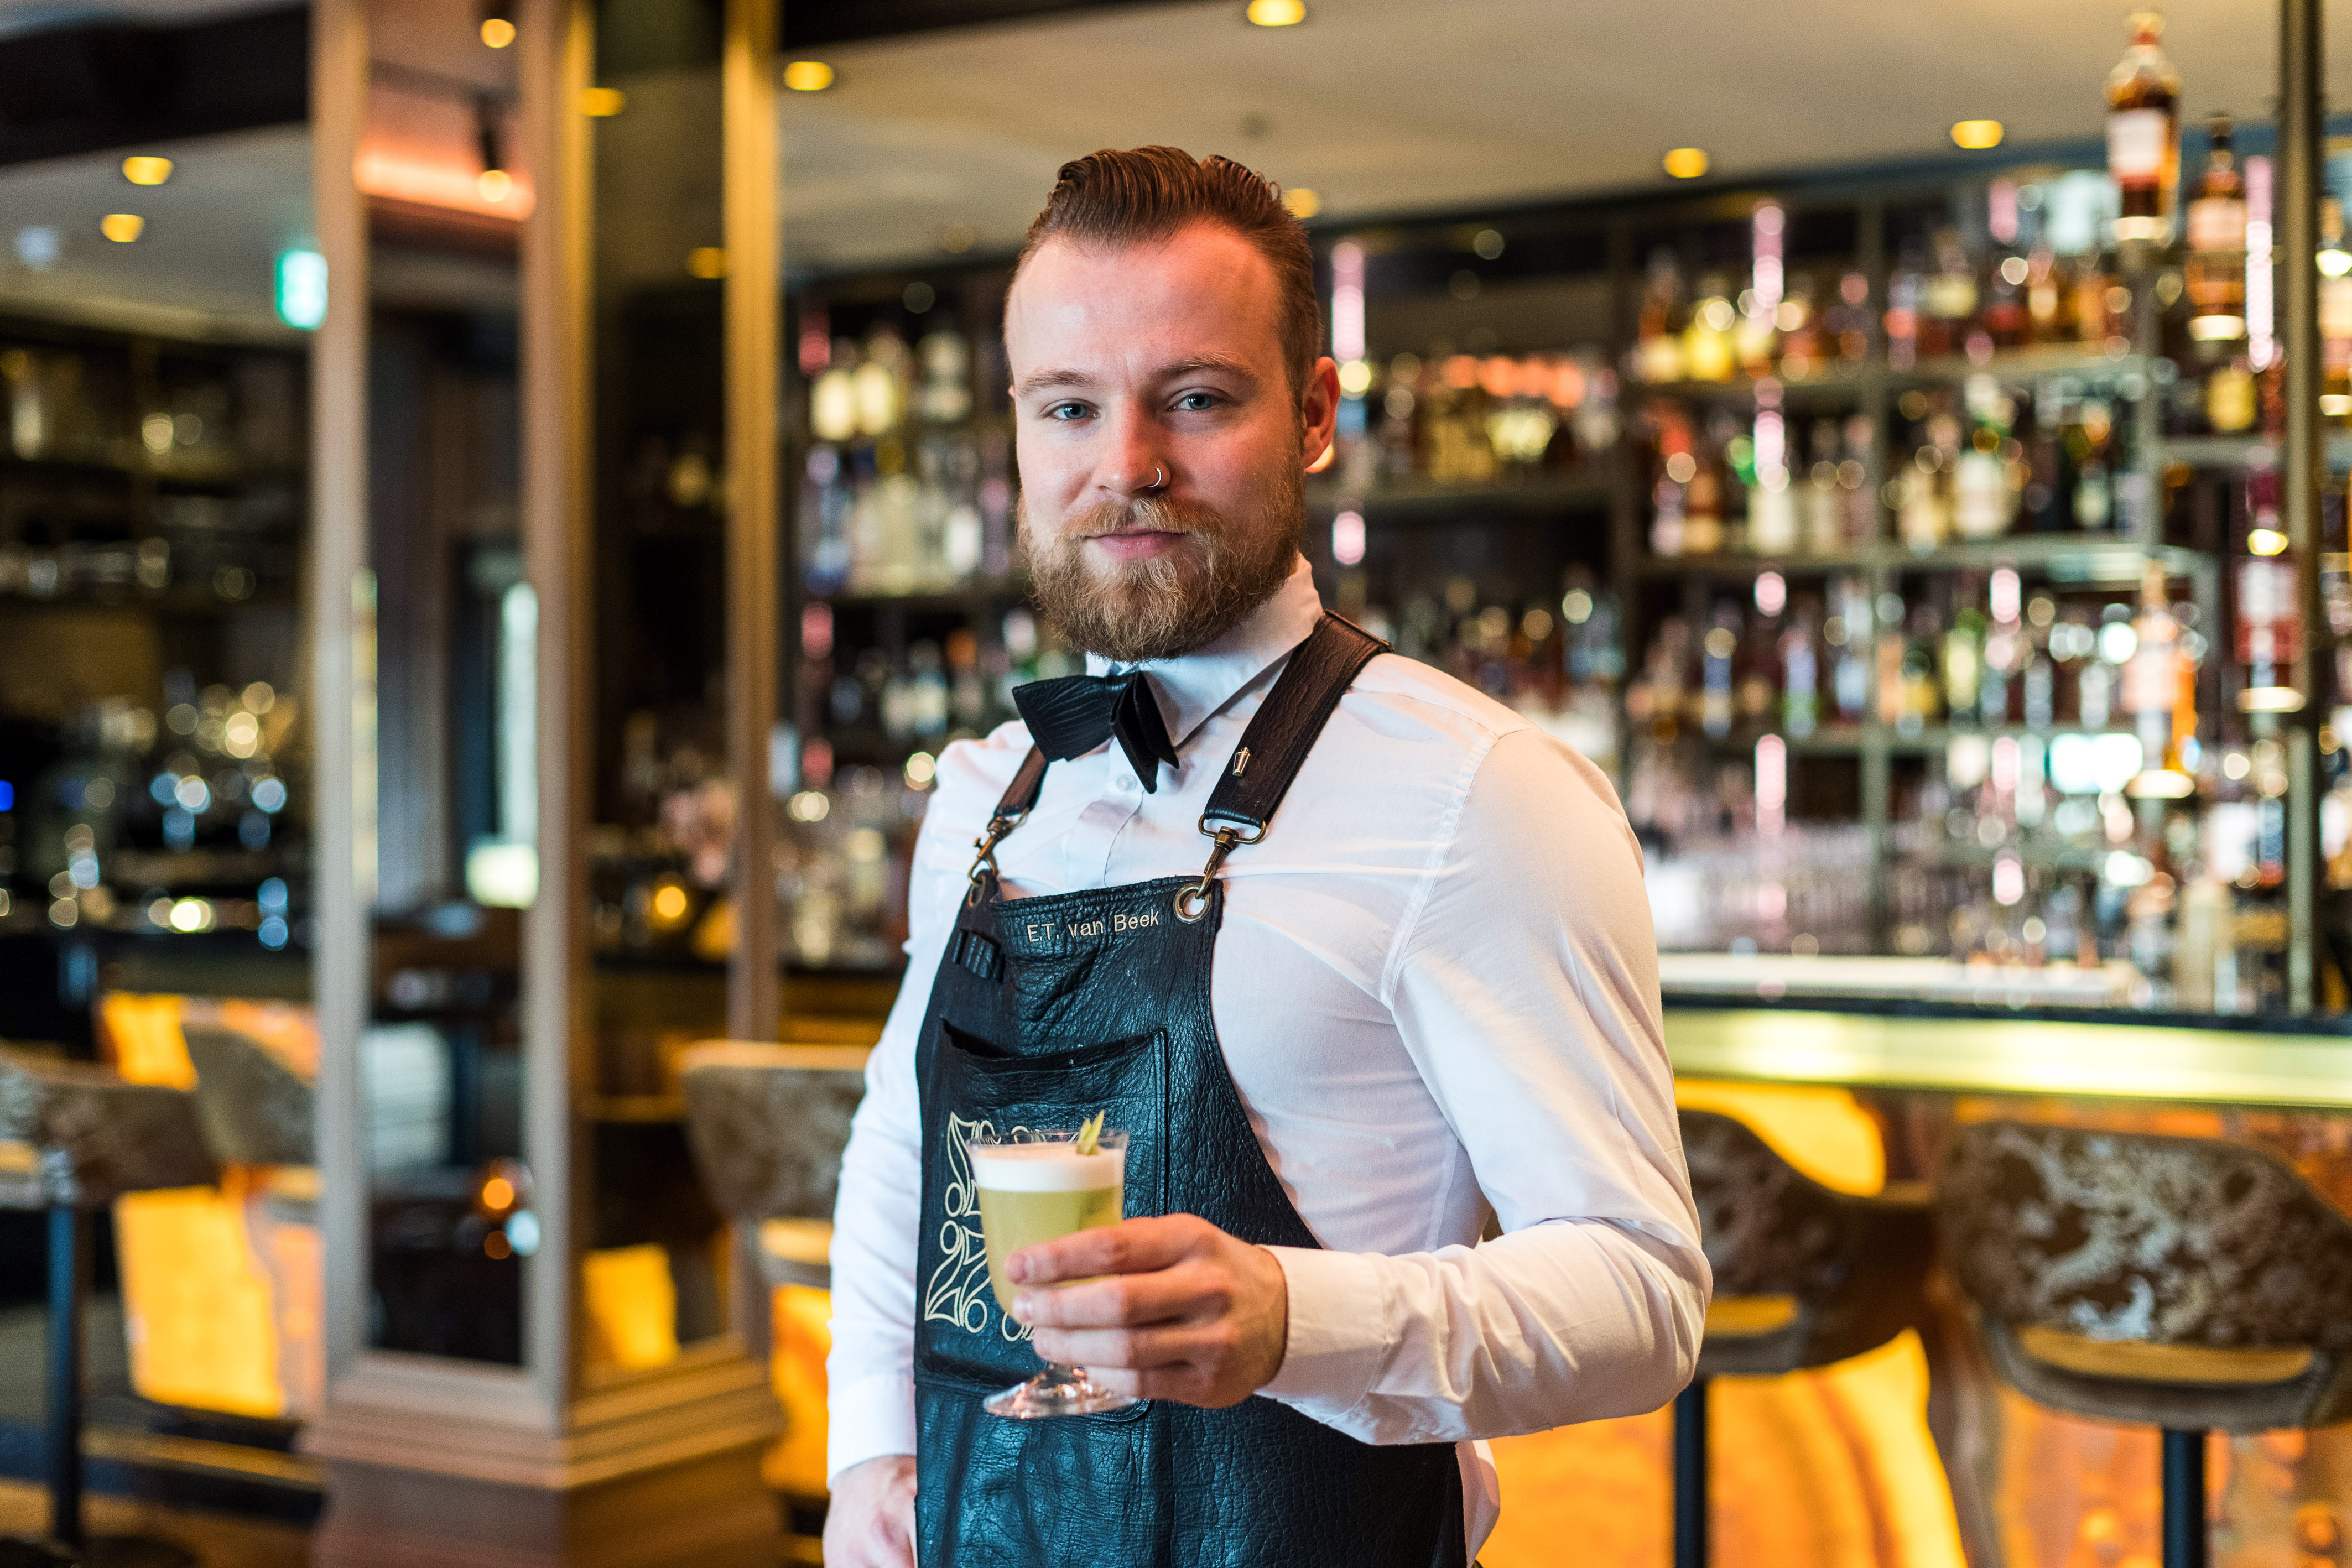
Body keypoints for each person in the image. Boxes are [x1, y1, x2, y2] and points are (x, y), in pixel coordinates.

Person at [823, 146, 1706, 1568]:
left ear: (1308, 417)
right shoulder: (986, 791)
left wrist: (1298, 1318)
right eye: (1069, 406)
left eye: (1193, 398)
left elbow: (1642, 1294)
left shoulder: (1480, 797)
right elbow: (898, 1151)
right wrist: (869, 1441)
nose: (1126, 466)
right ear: (1017, 431)